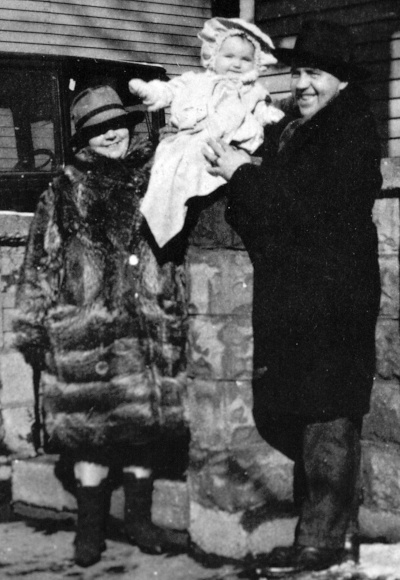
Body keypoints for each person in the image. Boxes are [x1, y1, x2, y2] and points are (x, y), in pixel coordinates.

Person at [204, 20, 382, 576]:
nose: (303, 84)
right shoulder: (298, 129)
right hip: (303, 297)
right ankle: (324, 535)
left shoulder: (349, 129)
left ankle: (323, 543)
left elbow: (306, 207)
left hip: (332, 299)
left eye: (316, 74)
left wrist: (241, 175)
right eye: (299, 72)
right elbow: (276, 208)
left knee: (327, 414)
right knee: (307, 411)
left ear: (343, 82)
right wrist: (242, 182)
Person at [13, 85, 188, 568]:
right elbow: (39, 261)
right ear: (83, 138)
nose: (111, 134)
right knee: (91, 434)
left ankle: (139, 521)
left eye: (117, 125)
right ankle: (88, 533)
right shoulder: (64, 189)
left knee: (140, 429)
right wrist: (34, 324)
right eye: (98, 129)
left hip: (143, 323)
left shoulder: (155, 176)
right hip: (85, 327)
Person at [128, 17, 284, 248]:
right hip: (196, 137)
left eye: (245, 59)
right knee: (170, 160)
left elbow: (261, 109)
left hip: (235, 146)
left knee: (196, 161)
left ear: (256, 64)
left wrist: (268, 115)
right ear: (213, 55)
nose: (236, 64)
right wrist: (151, 92)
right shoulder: (196, 80)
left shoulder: (252, 90)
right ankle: (169, 215)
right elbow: (171, 90)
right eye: (229, 56)